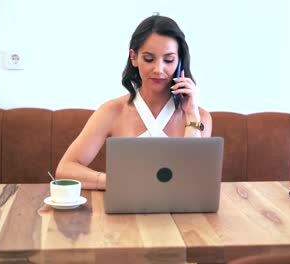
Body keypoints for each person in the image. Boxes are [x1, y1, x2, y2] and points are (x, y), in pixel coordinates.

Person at [55, 15, 212, 190]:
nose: (159, 69)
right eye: (149, 59)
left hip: (180, 215)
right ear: (134, 57)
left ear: (179, 61)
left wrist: (191, 114)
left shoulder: (200, 117)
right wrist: (116, 182)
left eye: (169, 60)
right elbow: (65, 169)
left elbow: (193, 179)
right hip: (126, 213)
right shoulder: (112, 111)